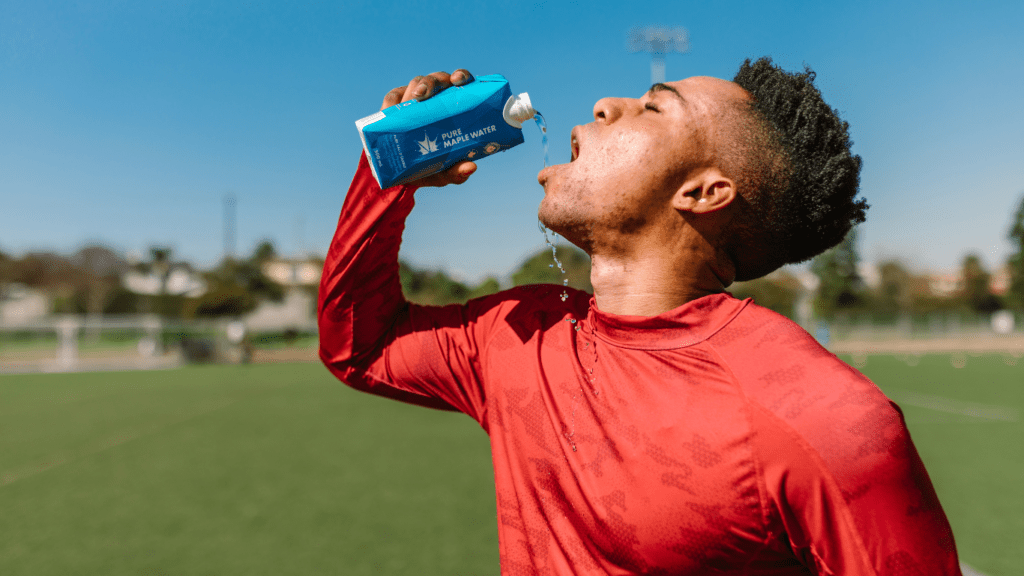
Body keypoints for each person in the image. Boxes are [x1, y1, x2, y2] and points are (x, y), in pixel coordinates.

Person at [319, 59, 962, 575]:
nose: (604, 105)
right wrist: (389, 175)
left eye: (653, 107)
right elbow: (361, 347)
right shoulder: (518, 333)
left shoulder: (823, 417)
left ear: (703, 192)